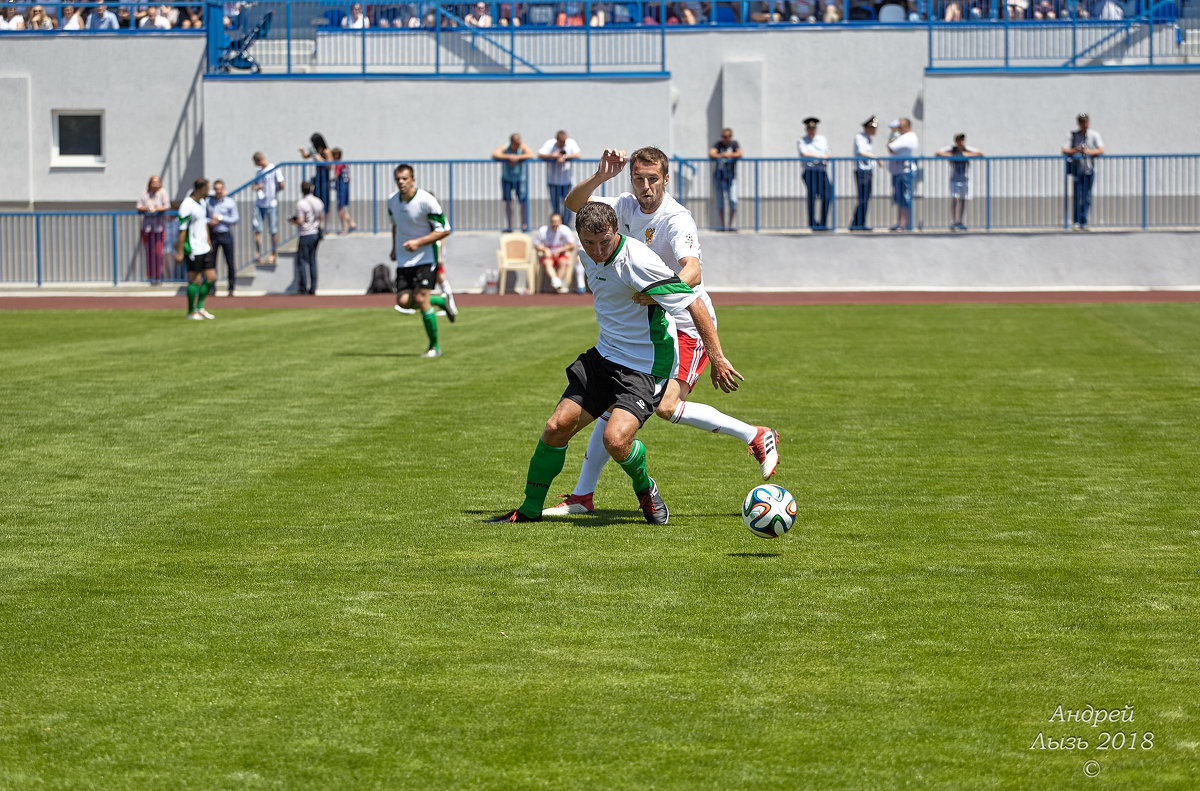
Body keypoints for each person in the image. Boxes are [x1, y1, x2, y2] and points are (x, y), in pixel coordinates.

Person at [545, 147, 780, 517]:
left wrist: (659, 292)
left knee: (667, 407)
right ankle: (581, 496)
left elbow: (693, 271)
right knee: (613, 405)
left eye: (653, 178)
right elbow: (574, 203)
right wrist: (600, 176)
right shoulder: (623, 204)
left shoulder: (676, 218)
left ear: (665, 179)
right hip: (655, 325)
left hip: (687, 324)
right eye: (638, 178)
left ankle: (754, 435)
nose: (645, 186)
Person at [488, 200, 744, 524]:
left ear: (616, 231)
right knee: (555, 427)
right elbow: (574, 202)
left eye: (604, 241)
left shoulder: (637, 260)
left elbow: (694, 304)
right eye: (589, 243)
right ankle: (528, 510)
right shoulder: (586, 253)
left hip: (645, 366)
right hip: (604, 356)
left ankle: (645, 488)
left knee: (616, 439)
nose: (597, 250)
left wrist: (718, 358)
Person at [388, 164, 455, 358]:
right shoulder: (392, 201)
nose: (401, 182)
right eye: (398, 179)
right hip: (404, 259)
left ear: (413, 180)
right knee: (403, 301)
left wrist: (419, 242)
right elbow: (395, 226)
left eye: (405, 179)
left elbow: (445, 229)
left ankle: (435, 347)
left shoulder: (426, 201)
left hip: (426, 257)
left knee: (420, 299)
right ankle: (441, 300)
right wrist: (394, 247)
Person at [174, 178, 216, 320]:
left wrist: (208, 240)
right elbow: (182, 230)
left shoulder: (202, 202)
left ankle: (200, 307)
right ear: (201, 188)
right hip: (193, 248)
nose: (208, 192)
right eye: (207, 188)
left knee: (211, 277)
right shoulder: (186, 205)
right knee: (195, 280)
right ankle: (191, 312)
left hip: (204, 247)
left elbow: (203, 223)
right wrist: (180, 251)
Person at [1062, 113, 1104, 230]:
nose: (1084, 124)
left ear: (1088, 122)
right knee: (1077, 196)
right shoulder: (1073, 135)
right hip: (1077, 170)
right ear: (1078, 123)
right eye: (1082, 122)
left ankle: (1083, 221)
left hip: (1089, 170)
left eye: (1086, 122)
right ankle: (1076, 221)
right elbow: (1064, 150)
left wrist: (1088, 152)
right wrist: (1076, 150)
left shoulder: (1094, 135)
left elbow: (1101, 150)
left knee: (1087, 197)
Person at [935, 133, 984, 231]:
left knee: (963, 200)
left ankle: (960, 221)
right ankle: (953, 221)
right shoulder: (952, 149)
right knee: (954, 199)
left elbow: (980, 153)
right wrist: (953, 156)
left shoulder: (967, 149)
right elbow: (938, 153)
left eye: (962, 140)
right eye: (958, 140)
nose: (960, 142)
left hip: (965, 179)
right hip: (954, 179)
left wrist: (965, 155)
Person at [538, 130, 582, 225]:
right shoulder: (550, 144)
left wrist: (565, 157)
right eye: (561, 142)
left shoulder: (571, 143)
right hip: (553, 181)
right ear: (557, 140)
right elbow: (540, 154)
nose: (563, 144)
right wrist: (553, 156)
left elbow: (578, 154)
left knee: (568, 205)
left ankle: (566, 225)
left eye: (564, 141)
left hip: (566, 181)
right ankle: (557, 225)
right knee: (555, 206)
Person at [492, 132, 533, 232]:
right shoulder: (505, 147)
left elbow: (530, 154)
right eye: (517, 143)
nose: (519, 145)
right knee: (508, 202)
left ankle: (524, 224)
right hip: (507, 179)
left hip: (520, 179)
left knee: (522, 202)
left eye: (520, 143)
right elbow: (495, 154)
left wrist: (517, 157)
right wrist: (509, 157)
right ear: (512, 143)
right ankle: (510, 225)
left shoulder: (522, 147)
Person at [797, 117, 832, 231]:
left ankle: (822, 223)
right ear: (806, 129)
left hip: (821, 171)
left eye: (813, 128)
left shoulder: (822, 139)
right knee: (812, 196)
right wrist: (818, 156)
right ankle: (812, 223)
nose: (811, 131)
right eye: (809, 129)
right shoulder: (802, 140)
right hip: (809, 171)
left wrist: (819, 157)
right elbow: (804, 153)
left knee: (827, 196)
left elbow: (827, 154)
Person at [206, 179, 240, 295]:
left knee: (230, 262)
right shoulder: (208, 202)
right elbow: (203, 217)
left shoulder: (230, 202)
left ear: (223, 189)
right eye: (216, 189)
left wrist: (220, 218)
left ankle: (231, 288)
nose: (218, 191)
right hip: (213, 234)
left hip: (225, 234)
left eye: (220, 189)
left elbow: (235, 219)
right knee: (211, 262)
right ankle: (212, 287)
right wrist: (210, 221)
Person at [290, 181, 324, 295]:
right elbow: (321, 217)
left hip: (305, 234)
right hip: (315, 232)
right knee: (312, 260)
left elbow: (300, 221)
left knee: (302, 261)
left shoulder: (301, 203)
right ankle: (313, 288)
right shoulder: (318, 201)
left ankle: (303, 287)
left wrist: (292, 221)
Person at [251, 151, 284, 265]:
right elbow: (254, 185)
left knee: (273, 230)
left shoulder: (274, 168)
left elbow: (281, 184)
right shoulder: (258, 172)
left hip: (271, 203)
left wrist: (273, 192)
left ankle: (273, 253)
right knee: (257, 229)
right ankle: (258, 254)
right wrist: (258, 187)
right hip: (260, 204)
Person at [886, 117, 919, 232]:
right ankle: (901, 223)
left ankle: (905, 224)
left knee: (905, 197)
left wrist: (892, 136)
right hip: (899, 171)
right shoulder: (904, 136)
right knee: (900, 199)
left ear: (907, 126)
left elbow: (891, 147)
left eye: (900, 127)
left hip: (904, 172)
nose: (898, 129)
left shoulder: (908, 137)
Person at [137, 175, 171, 284]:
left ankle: (158, 276)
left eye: (157, 182)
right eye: (153, 182)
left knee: (158, 253)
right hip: (147, 228)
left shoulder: (163, 193)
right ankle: (151, 276)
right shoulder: (145, 194)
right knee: (149, 253)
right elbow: (139, 206)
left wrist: (156, 209)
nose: (155, 184)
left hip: (159, 228)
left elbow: (166, 206)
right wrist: (147, 209)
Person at [533, 213, 578, 293]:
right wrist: (545, 249)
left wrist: (561, 250)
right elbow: (536, 245)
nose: (555, 224)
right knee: (547, 262)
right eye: (553, 221)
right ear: (550, 222)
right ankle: (556, 281)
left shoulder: (565, 230)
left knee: (563, 262)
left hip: (561, 255)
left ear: (560, 222)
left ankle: (556, 283)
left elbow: (572, 245)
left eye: (557, 221)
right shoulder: (543, 230)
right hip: (548, 257)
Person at [709, 127, 742, 232]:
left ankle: (731, 225)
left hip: (731, 178)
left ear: (730, 137)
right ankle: (722, 226)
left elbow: (739, 153)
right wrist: (722, 155)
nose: (725, 139)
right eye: (723, 136)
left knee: (733, 200)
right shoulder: (718, 144)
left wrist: (730, 155)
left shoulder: (734, 144)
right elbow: (711, 153)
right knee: (720, 202)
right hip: (719, 178)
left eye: (727, 137)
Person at [850, 116, 878, 231]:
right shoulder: (860, 137)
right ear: (868, 128)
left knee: (866, 198)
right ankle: (857, 224)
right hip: (862, 171)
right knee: (863, 198)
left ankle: (860, 223)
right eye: (873, 128)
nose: (875, 130)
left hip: (868, 170)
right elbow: (861, 152)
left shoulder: (868, 139)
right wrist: (876, 158)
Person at [299, 133, 332, 227]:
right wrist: (302, 151)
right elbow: (306, 156)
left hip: (325, 179)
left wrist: (320, 159)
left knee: (325, 202)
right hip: (318, 178)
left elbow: (330, 165)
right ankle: (318, 225)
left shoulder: (326, 151)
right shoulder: (315, 151)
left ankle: (326, 226)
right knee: (316, 201)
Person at [331, 147, 357, 234]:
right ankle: (351, 223)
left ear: (336, 155)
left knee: (340, 208)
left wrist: (330, 181)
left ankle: (345, 228)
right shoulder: (345, 164)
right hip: (345, 187)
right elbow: (349, 177)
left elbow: (336, 176)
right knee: (342, 208)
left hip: (341, 188)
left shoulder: (338, 164)